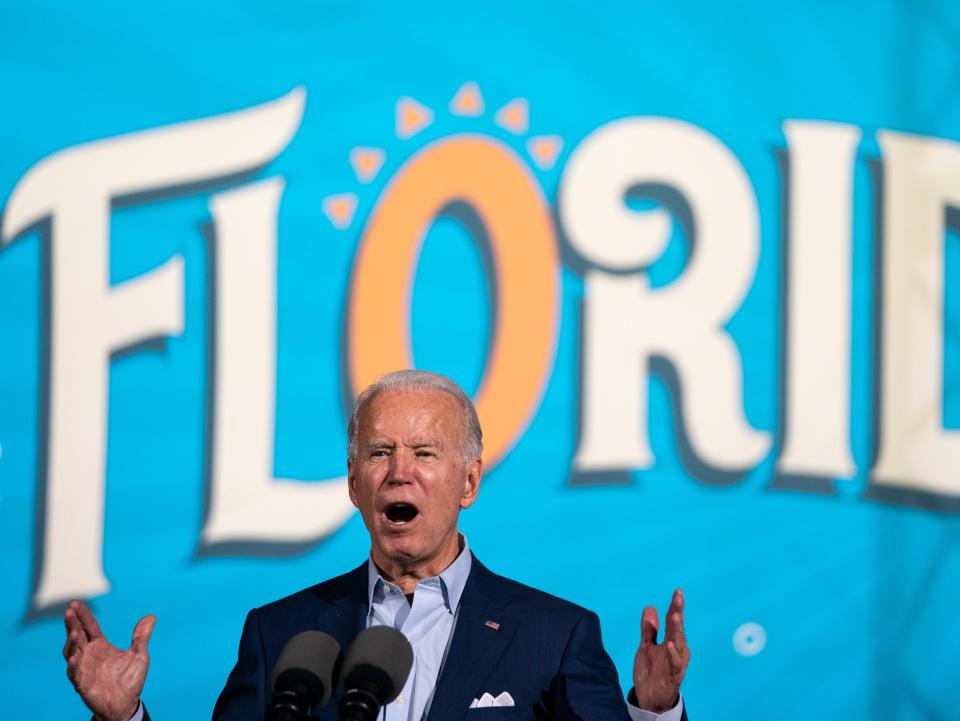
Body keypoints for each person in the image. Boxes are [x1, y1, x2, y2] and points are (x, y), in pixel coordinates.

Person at [63, 370, 690, 721]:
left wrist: (655, 717)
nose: (399, 472)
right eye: (379, 453)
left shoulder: (555, 637)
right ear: (354, 482)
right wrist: (122, 720)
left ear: (469, 481)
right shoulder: (279, 634)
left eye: (424, 453)